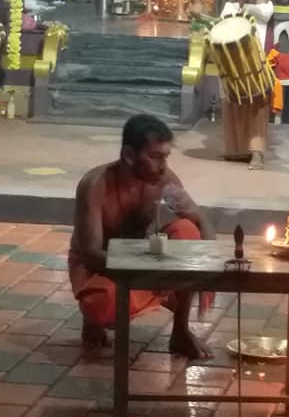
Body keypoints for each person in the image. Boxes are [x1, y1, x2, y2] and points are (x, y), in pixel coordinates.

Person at [68, 115, 216, 357]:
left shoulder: (163, 180)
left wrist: (208, 266)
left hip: (142, 262)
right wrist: (151, 272)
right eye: (155, 157)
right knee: (100, 304)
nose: (163, 166)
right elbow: (91, 254)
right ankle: (93, 320)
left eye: (165, 157)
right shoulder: (95, 184)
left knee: (187, 232)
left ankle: (181, 330)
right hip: (101, 268)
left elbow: (202, 221)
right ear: (128, 155)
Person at [191, 0, 286, 170]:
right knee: (231, 88)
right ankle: (236, 148)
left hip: (259, 28)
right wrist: (197, 3)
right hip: (232, 25)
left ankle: (257, 151)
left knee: (256, 90)